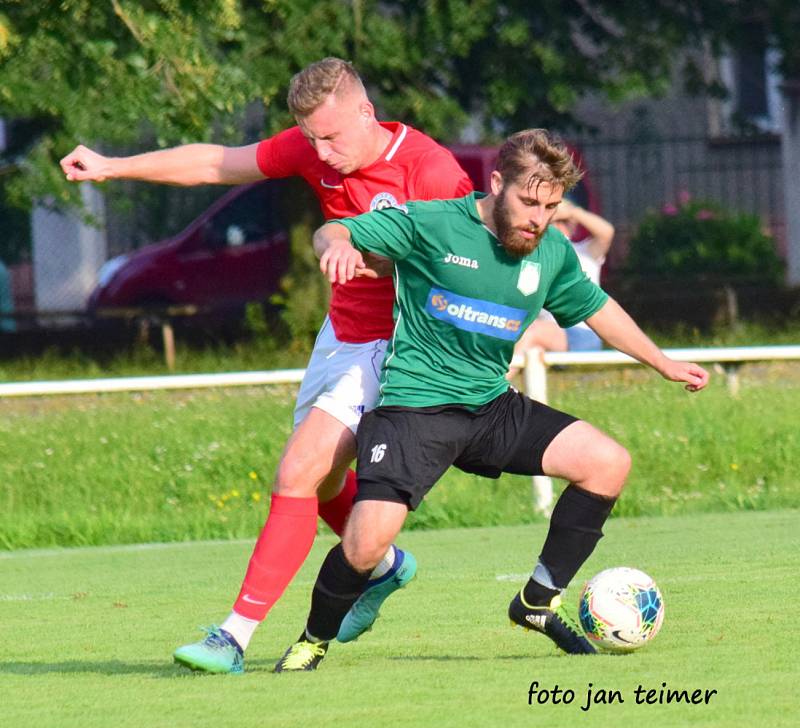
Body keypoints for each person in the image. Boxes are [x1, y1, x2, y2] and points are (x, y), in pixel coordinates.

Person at [61, 58, 473, 674]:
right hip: (340, 336)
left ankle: (232, 637)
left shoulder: (431, 169)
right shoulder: (314, 147)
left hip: (401, 347)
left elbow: (464, 263)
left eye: (332, 136)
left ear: (367, 112)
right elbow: (215, 163)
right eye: (311, 138)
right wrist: (113, 166)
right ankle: (384, 567)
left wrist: (389, 267)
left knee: (297, 471)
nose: (321, 152)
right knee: (326, 486)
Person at [271, 128, 708, 672]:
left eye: (550, 207)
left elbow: (597, 308)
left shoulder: (549, 252)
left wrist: (662, 362)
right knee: (363, 547)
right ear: (496, 184)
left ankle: (536, 602)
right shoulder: (434, 223)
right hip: (414, 410)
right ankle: (312, 640)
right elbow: (333, 231)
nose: (538, 218)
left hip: (491, 407)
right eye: (528, 202)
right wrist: (337, 246)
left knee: (607, 463)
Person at [507, 198, 614, 378]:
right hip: (548, 333)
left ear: (573, 226)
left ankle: (488, 393)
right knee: (528, 341)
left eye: (564, 222)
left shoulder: (586, 251)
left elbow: (607, 232)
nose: (558, 227)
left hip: (581, 334)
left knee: (533, 332)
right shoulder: (533, 256)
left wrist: (572, 212)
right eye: (553, 221)